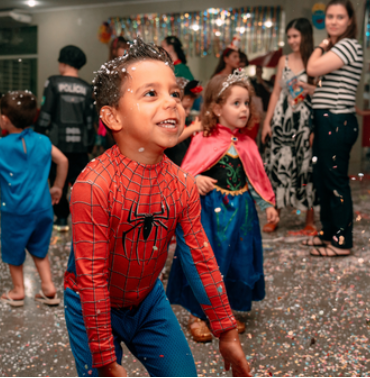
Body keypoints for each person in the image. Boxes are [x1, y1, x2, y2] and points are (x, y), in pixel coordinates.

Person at [64, 38, 250, 377]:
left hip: (148, 301)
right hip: (88, 305)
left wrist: (227, 329)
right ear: (113, 116)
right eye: (151, 94)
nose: (172, 104)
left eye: (175, 94)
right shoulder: (93, 185)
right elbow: (91, 277)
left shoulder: (180, 183)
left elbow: (200, 258)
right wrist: (104, 358)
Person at [167, 71, 278, 343]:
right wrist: (194, 179)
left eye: (246, 103)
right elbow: (186, 170)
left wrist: (268, 204)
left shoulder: (248, 143)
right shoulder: (204, 138)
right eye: (236, 103)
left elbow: (256, 176)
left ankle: (223, 310)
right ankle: (196, 314)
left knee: (237, 259)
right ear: (217, 108)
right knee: (207, 261)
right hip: (209, 214)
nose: (244, 109)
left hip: (241, 214)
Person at [0, 91, 68, 306]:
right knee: (40, 249)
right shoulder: (43, 141)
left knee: (14, 250)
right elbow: (63, 160)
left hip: (15, 211)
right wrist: (58, 187)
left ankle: (18, 290)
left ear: (4, 119)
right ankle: (49, 288)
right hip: (43, 209)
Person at [299, 0, 363, 258]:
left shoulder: (347, 45)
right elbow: (336, 88)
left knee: (335, 182)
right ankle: (328, 233)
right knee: (324, 180)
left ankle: (342, 242)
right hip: (328, 119)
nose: (334, 22)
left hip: (337, 121)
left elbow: (311, 67)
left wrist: (322, 44)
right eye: (330, 17)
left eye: (340, 17)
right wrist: (313, 90)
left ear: (349, 21)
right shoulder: (341, 48)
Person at [261, 18, 318, 235]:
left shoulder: (315, 60)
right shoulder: (283, 60)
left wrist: (314, 128)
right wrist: (267, 122)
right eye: (289, 37)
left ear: (306, 36)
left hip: (305, 121)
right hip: (281, 120)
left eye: (296, 36)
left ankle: (309, 219)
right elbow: (276, 92)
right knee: (277, 166)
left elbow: (322, 93)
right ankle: (275, 216)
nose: (292, 41)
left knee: (305, 169)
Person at [36, 45, 96, 232]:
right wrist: (90, 143)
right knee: (80, 182)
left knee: (56, 181)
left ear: (62, 63)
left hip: (57, 143)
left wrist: (38, 134)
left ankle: (61, 219)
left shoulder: (53, 82)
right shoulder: (87, 88)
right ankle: (83, 221)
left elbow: (46, 112)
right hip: (80, 144)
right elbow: (89, 119)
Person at [164, 79, 203, 166]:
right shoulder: (167, 122)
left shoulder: (188, 122)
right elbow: (172, 139)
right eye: (185, 108)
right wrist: (193, 128)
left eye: (190, 108)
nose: (188, 112)